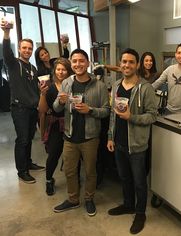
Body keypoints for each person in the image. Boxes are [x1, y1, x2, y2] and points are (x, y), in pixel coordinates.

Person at [53, 49, 110, 216]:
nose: (78, 64)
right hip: (70, 135)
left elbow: (106, 110)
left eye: (81, 60)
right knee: (69, 171)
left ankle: (89, 199)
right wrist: (60, 101)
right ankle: (72, 199)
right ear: (71, 63)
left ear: (88, 63)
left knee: (90, 171)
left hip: (90, 137)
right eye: (75, 61)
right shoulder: (66, 83)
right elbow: (56, 108)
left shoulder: (98, 85)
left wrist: (90, 110)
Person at [107, 48, 157, 234]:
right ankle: (128, 204)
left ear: (137, 65)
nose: (126, 65)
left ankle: (140, 213)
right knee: (124, 177)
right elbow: (113, 114)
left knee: (139, 182)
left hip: (137, 145)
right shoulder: (117, 84)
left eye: (130, 62)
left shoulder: (146, 88)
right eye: (124, 62)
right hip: (119, 142)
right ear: (120, 64)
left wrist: (131, 117)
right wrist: (110, 137)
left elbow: (153, 116)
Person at [1, 19, 45, 184]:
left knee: (29, 138)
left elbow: (35, 89)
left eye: (29, 48)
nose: (27, 50)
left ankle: (28, 163)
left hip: (33, 109)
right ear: (19, 49)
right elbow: (6, 52)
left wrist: (41, 88)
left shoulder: (32, 68)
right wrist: (6, 33)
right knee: (22, 139)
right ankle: (21, 171)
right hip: (19, 109)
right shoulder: (14, 64)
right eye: (24, 48)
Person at [38, 58, 73, 195]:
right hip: (55, 125)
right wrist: (42, 94)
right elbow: (42, 110)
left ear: (68, 71)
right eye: (58, 69)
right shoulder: (50, 87)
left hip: (72, 123)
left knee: (74, 155)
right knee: (53, 154)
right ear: (54, 71)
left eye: (63, 69)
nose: (61, 72)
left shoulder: (73, 85)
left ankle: (75, 179)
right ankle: (48, 180)